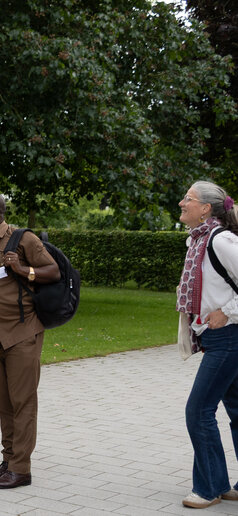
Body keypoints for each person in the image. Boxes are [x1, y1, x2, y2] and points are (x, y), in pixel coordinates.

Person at [0, 191, 59, 489]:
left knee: (23, 402)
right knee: (3, 404)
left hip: (22, 332)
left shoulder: (23, 240)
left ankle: (21, 468)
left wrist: (22, 270)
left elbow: (53, 271)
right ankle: (8, 460)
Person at [176, 180, 238, 509]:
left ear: (206, 209)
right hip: (217, 336)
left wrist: (228, 313)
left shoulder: (222, 240)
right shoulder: (197, 240)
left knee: (198, 411)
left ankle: (210, 486)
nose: (182, 202)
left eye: (189, 199)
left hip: (229, 336)